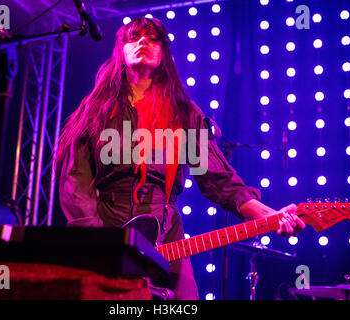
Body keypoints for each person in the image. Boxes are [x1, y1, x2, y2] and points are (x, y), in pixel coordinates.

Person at [55, 17, 305, 300]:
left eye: (152, 38)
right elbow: (75, 182)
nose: (143, 43)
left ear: (164, 53)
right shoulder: (93, 112)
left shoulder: (184, 115)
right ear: (120, 50)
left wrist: (270, 216)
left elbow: (219, 180)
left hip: (166, 233)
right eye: (134, 38)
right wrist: (98, 242)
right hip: (108, 230)